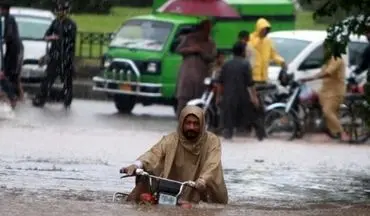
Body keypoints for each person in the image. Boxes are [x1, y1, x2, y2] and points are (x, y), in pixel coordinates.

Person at [120, 105, 228, 204]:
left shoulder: (212, 141)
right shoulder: (171, 140)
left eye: (196, 124)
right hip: (173, 189)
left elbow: (212, 164)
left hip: (203, 188)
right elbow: (154, 154)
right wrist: (137, 165)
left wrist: (203, 180)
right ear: (181, 123)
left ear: (202, 124)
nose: (191, 127)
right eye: (188, 123)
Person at [299, 43, 348, 141]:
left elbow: (328, 73)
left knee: (328, 111)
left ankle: (342, 133)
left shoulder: (336, 58)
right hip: (325, 91)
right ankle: (329, 130)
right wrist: (308, 78)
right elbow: (322, 72)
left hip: (335, 91)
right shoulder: (328, 59)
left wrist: (313, 78)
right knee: (312, 102)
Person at [32, 0, 77, 108]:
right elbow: (47, 34)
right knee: (48, 78)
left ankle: (67, 99)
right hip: (54, 56)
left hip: (66, 57)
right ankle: (41, 98)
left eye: (62, 11)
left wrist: (60, 39)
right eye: (58, 11)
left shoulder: (71, 24)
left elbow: (71, 40)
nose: (60, 13)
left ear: (66, 12)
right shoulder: (55, 22)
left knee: (67, 80)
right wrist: (49, 37)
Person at [216, 41, 263, 140]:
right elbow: (250, 84)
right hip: (242, 97)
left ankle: (228, 133)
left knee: (229, 119)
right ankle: (259, 134)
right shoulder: (245, 64)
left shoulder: (226, 64)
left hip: (228, 97)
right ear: (242, 52)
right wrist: (254, 98)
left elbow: (220, 83)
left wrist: (218, 97)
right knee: (252, 115)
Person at [175, 19, 217, 117]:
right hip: (187, 74)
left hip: (201, 74)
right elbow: (179, 50)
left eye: (209, 30)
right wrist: (191, 49)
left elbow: (212, 57)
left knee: (199, 97)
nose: (207, 32)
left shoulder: (210, 43)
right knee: (184, 96)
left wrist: (201, 52)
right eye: (206, 29)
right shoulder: (189, 38)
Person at [248, 18, 286, 84]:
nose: (264, 31)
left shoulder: (268, 41)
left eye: (266, 30)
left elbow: (274, 55)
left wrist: (281, 61)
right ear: (258, 28)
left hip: (264, 77)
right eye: (263, 29)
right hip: (252, 77)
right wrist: (260, 38)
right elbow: (252, 47)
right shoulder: (250, 38)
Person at [0, 0, 24, 105]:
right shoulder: (8, 18)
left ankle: (13, 96)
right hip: (13, 49)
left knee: (6, 73)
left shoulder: (8, 19)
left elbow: (9, 35)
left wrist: (3, 40)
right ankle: (17, 96)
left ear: (4, 10)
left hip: (14, 50)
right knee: (11, 75)